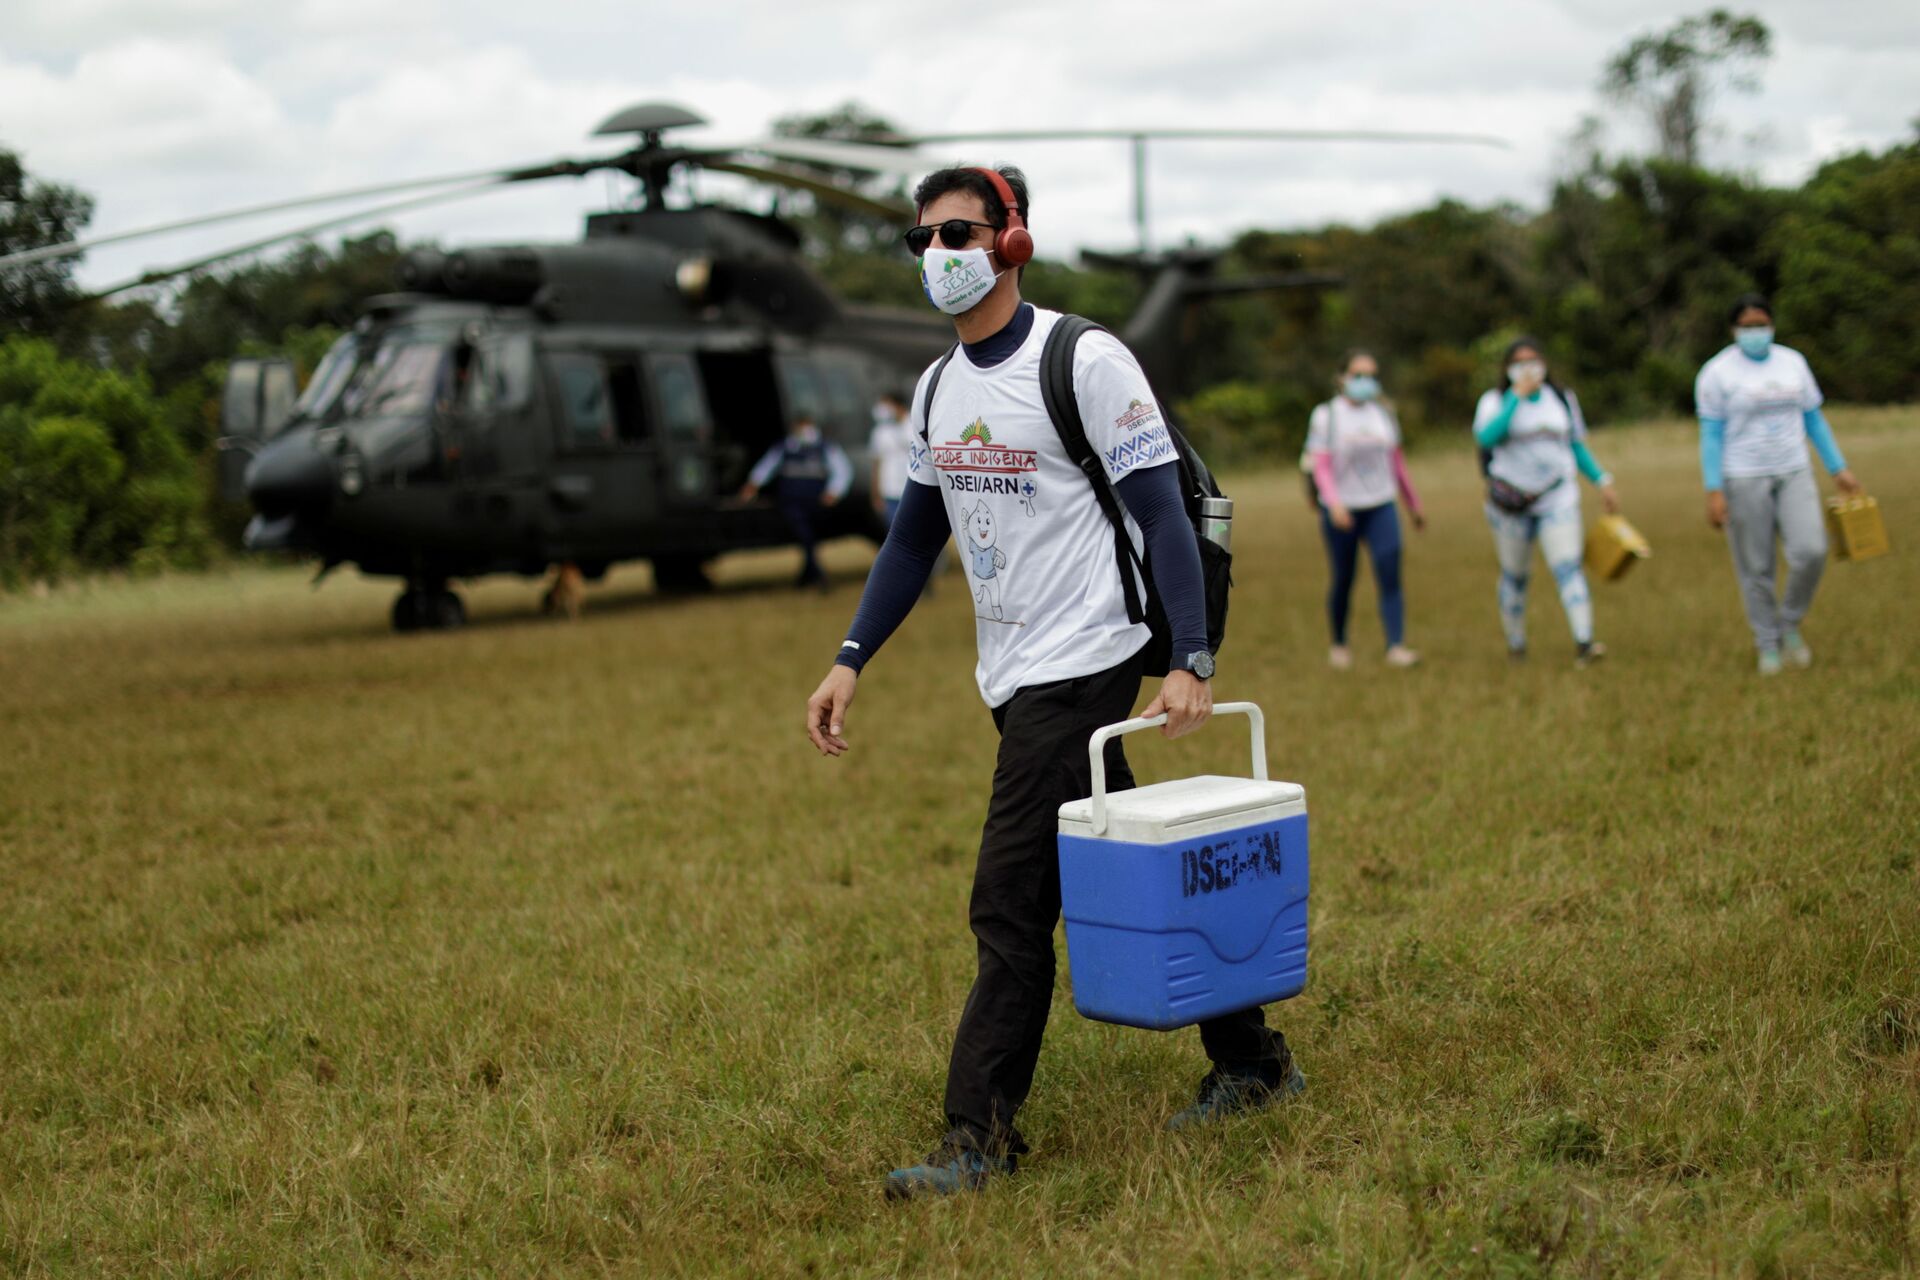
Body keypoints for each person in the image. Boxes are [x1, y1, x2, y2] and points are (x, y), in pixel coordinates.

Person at [803, 165, 1300, 1201]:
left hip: (1089, 656)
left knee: (1009, 899)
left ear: (1012, 239)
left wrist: (1190, 658)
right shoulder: (941, 387)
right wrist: (851, 658)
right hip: (1013, 668)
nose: (940, 253)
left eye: (960, 231)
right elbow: (912, 538)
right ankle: (1251, 1060)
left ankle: (976, 1136)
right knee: (1103, 859)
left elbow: (1164, 514)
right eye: (923, 238)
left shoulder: (1083, 359)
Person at [1695, 293, 1864, 675]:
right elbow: (1711, 435)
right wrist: (1713, 489)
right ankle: (1767, 642)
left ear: (1772, 324)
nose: (1755, 332)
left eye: (1761, 324)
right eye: (1747, 326)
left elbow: (1813, 419)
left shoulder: (1793, 363)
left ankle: (1789, 621)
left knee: (1812, 550)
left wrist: (1839, 467)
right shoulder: (1717, 373)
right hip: (1744, 475)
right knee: (1756, 565)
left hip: (1793, 469)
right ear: (1734, 329)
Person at [1472, 338, 1620, 667]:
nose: (1527, 367)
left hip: (1557, 496)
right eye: (1519, 361)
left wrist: (1602, 480)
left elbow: (1576, 446)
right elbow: (1486, 438)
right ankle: (1516, 644)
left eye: (1533, 360)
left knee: (1568, 567)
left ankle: (1584, 642)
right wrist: (1516, 398)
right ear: (1507, 368)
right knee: (1515, 575)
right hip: (1510, 502)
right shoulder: (1495, 401)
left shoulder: (1561, 399)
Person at [1305, 350, 1425, 669]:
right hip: (1343, 511)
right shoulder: (1326, 415)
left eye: (1371, 375)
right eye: (1358, 375)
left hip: (1380, 504)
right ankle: (1339, 643)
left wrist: (1413, 504)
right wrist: (1334, 503)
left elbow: (1396, 463)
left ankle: (1396, 645)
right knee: (1344, 576)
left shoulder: (1383, 413)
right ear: (1341, 377)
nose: (1365, 382)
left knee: (1389, 571)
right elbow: (1321, 466)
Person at [739, 414, 851, 591]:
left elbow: (842, 470)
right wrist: (752, 485)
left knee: (810, 537)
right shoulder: (784, 447)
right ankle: (818, 576)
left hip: (815, 500)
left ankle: (807, 575)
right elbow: (766, 467)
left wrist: (833, 492)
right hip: (791, 500)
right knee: (805, 535)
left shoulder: (825, 447)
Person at [868, 391, 912, 529]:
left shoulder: (915, 425)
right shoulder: (880, 431)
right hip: (889, 492)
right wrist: (875, 493)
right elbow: (876, 462)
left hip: (911, 490)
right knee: (895, 531)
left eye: (886, 404)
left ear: (898, 406)